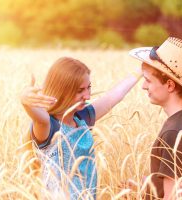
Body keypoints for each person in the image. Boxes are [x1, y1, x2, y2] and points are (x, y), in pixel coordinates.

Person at [20, 57, 142, 200]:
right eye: (80, 90)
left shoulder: (82, 118)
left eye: (88, 87)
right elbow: (38, 117)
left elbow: (113, 96)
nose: (88, 96)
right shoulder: (49, 126)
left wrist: (143, 69)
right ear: (62, 90)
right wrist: (25, 100)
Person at [128, 37, 182, 199]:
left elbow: (173, 196)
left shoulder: (175, 132)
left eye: (148, 80)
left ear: (170, 85)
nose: (143, 86)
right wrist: (145, 188)